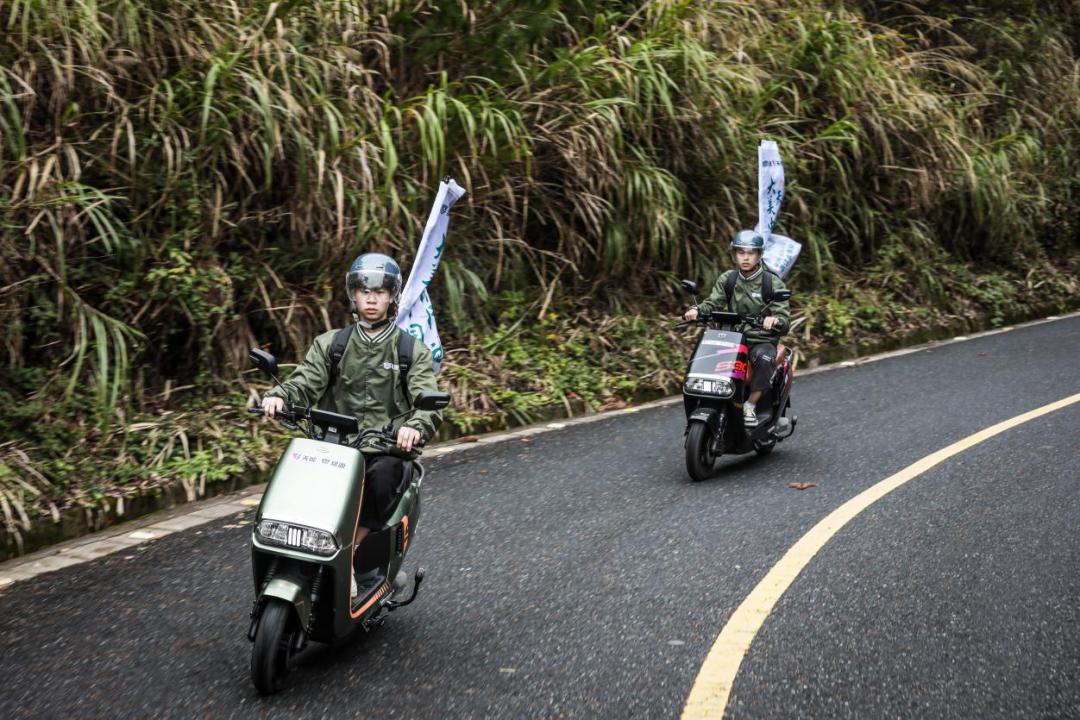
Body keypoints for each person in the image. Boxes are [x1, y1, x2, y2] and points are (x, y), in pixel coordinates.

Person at [260, 252, 442, 596]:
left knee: (386, 474)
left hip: (382, 451)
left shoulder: (410, 351)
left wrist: (415, 425)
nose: (372, 298)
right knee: (295, 472)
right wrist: (280, 397)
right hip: (331, 447)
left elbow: (427, 399)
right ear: (353, 295)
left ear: (392, 296)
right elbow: (304, 382)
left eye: (381, 291)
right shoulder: (333, 344)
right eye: (363, 290)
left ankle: (353, 556)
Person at [683, 230, 790, 426]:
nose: (746, 257)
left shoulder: (771, 282)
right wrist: (697, 310)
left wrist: (774, 320)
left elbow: (783, 317)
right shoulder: (728, 279)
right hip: (732, 338)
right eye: (741, 252)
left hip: (760, 340)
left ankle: (750, 405)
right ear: (735, 255)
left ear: (759, 255)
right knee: (701, 357)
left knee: (765, 358)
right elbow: (712, 302)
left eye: (751, 253)